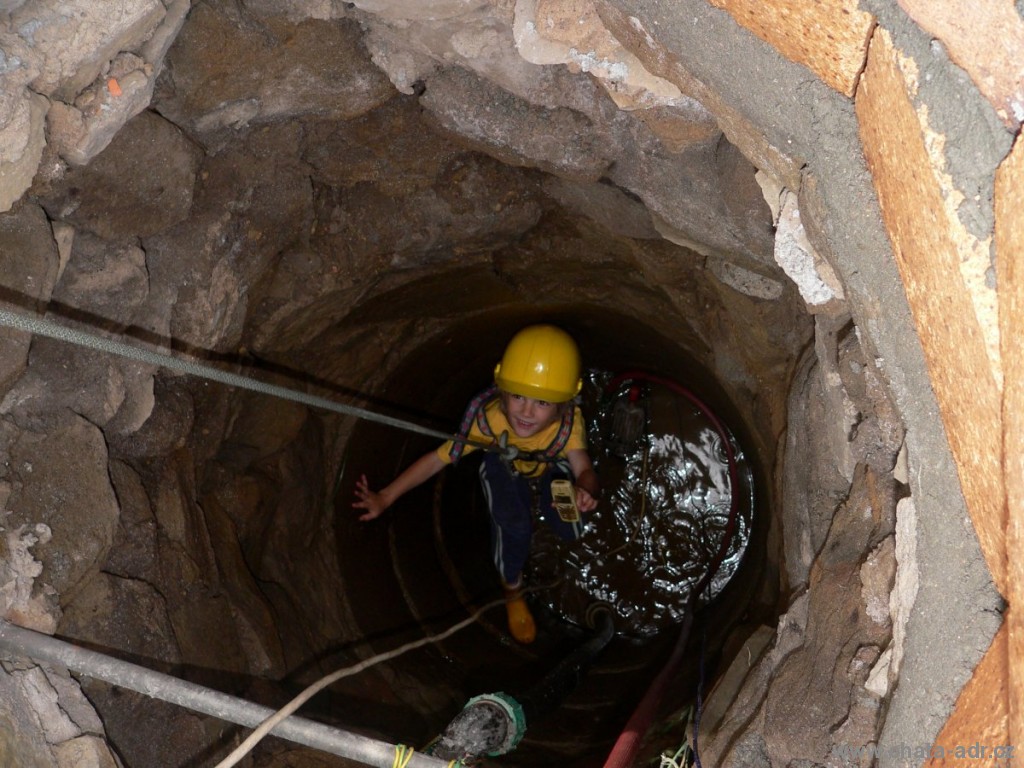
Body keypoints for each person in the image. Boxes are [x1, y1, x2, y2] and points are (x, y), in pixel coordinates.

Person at [354, 324, 600, 644]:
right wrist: (386, 497)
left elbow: (585, 469)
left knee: (571, 523)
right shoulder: (487, 422)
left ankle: (558, 501)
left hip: (550, 463)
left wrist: (586, 490)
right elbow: (436, 460)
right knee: (515, 527)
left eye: (542, 402)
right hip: (503, 466)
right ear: (502, 389)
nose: (526, 412)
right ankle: (512, 589)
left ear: (563, 405)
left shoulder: (569, 427)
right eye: (517, 396)